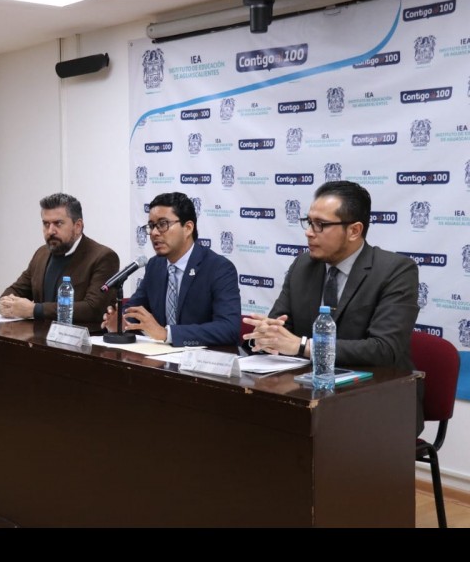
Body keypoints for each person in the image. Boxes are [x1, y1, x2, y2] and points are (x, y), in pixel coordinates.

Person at [243, 180, 423, 433]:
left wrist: (303, 346)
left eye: (321, 225)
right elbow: (281, 328)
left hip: (377, 402)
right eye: (309, 222)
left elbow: (385, 349)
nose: (309, 232)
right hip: (309, 395)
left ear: (354, 230)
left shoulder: (395, 271)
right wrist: (267, 336)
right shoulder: (303, 266)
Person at [101, 191, 242, 346]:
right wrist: (122, 322)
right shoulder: (155, 265)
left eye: (163, 224)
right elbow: (135, 309)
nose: (154, 233)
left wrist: (167, 334)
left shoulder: (219, 268)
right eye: (151, 226)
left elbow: (228, 328)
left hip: (205, 357)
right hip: (161, 356)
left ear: (188, 228)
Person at [0, 193, 120, 323]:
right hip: (41, 333)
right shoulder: (41, 253)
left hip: (83, 334)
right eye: (46, 224)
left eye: (58, 223)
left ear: (77, 226)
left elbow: (93, 308)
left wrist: (35, 310)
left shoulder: (103, 257)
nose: (50, 231)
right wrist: (4, 303)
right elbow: (17, 289)